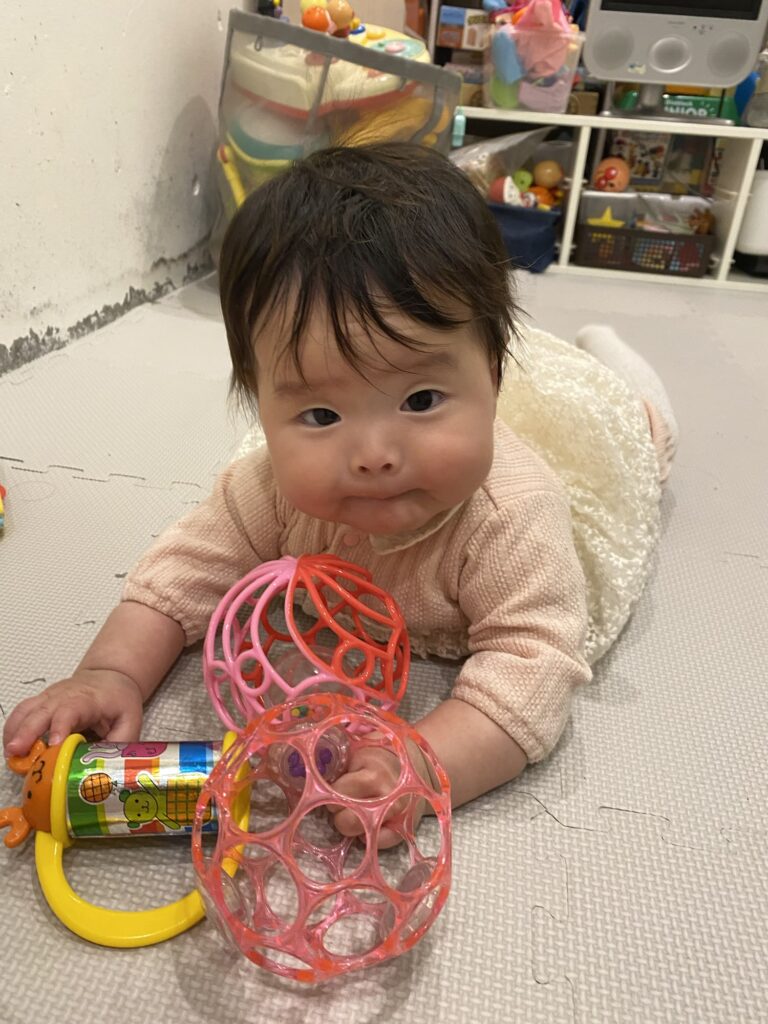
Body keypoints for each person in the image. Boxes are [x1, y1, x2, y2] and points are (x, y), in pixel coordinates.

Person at [2, 143, 676, 845]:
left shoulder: (512, 516)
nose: (374, 455)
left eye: (421, 399)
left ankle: (614, 361)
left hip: (600, 456)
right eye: (321, 415)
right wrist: (109, 673)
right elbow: (180, 575)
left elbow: (533, 667)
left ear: (495, 380)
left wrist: (421, 762)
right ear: (261, 408)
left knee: (641, 431)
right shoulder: (268, 487)